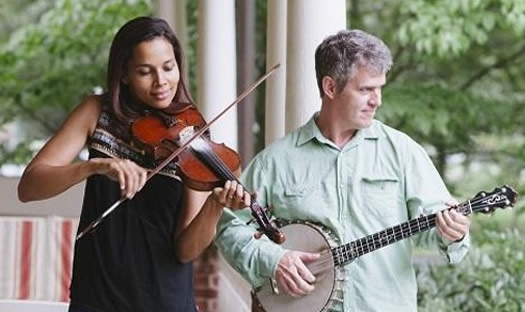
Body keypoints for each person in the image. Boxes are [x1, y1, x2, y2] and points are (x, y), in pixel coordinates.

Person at [215, 29, 471, 311]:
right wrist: (274, 260)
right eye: (365, 90)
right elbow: (230, 227)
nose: (378, 100)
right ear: (331, 87)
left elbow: (434, 232)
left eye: (379, 88)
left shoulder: (402, 152)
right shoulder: (275, 161)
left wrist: (453, 233)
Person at [17, 16, 248, 312]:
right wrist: (96, 167)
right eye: (145, 72)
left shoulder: (192, 134)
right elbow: (29, 186)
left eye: (168, 67)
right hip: (97, 297)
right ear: (124, 74)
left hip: (165, 301)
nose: (161, 81)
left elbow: (186, 249)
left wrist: (215, 206)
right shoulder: (95, 113)